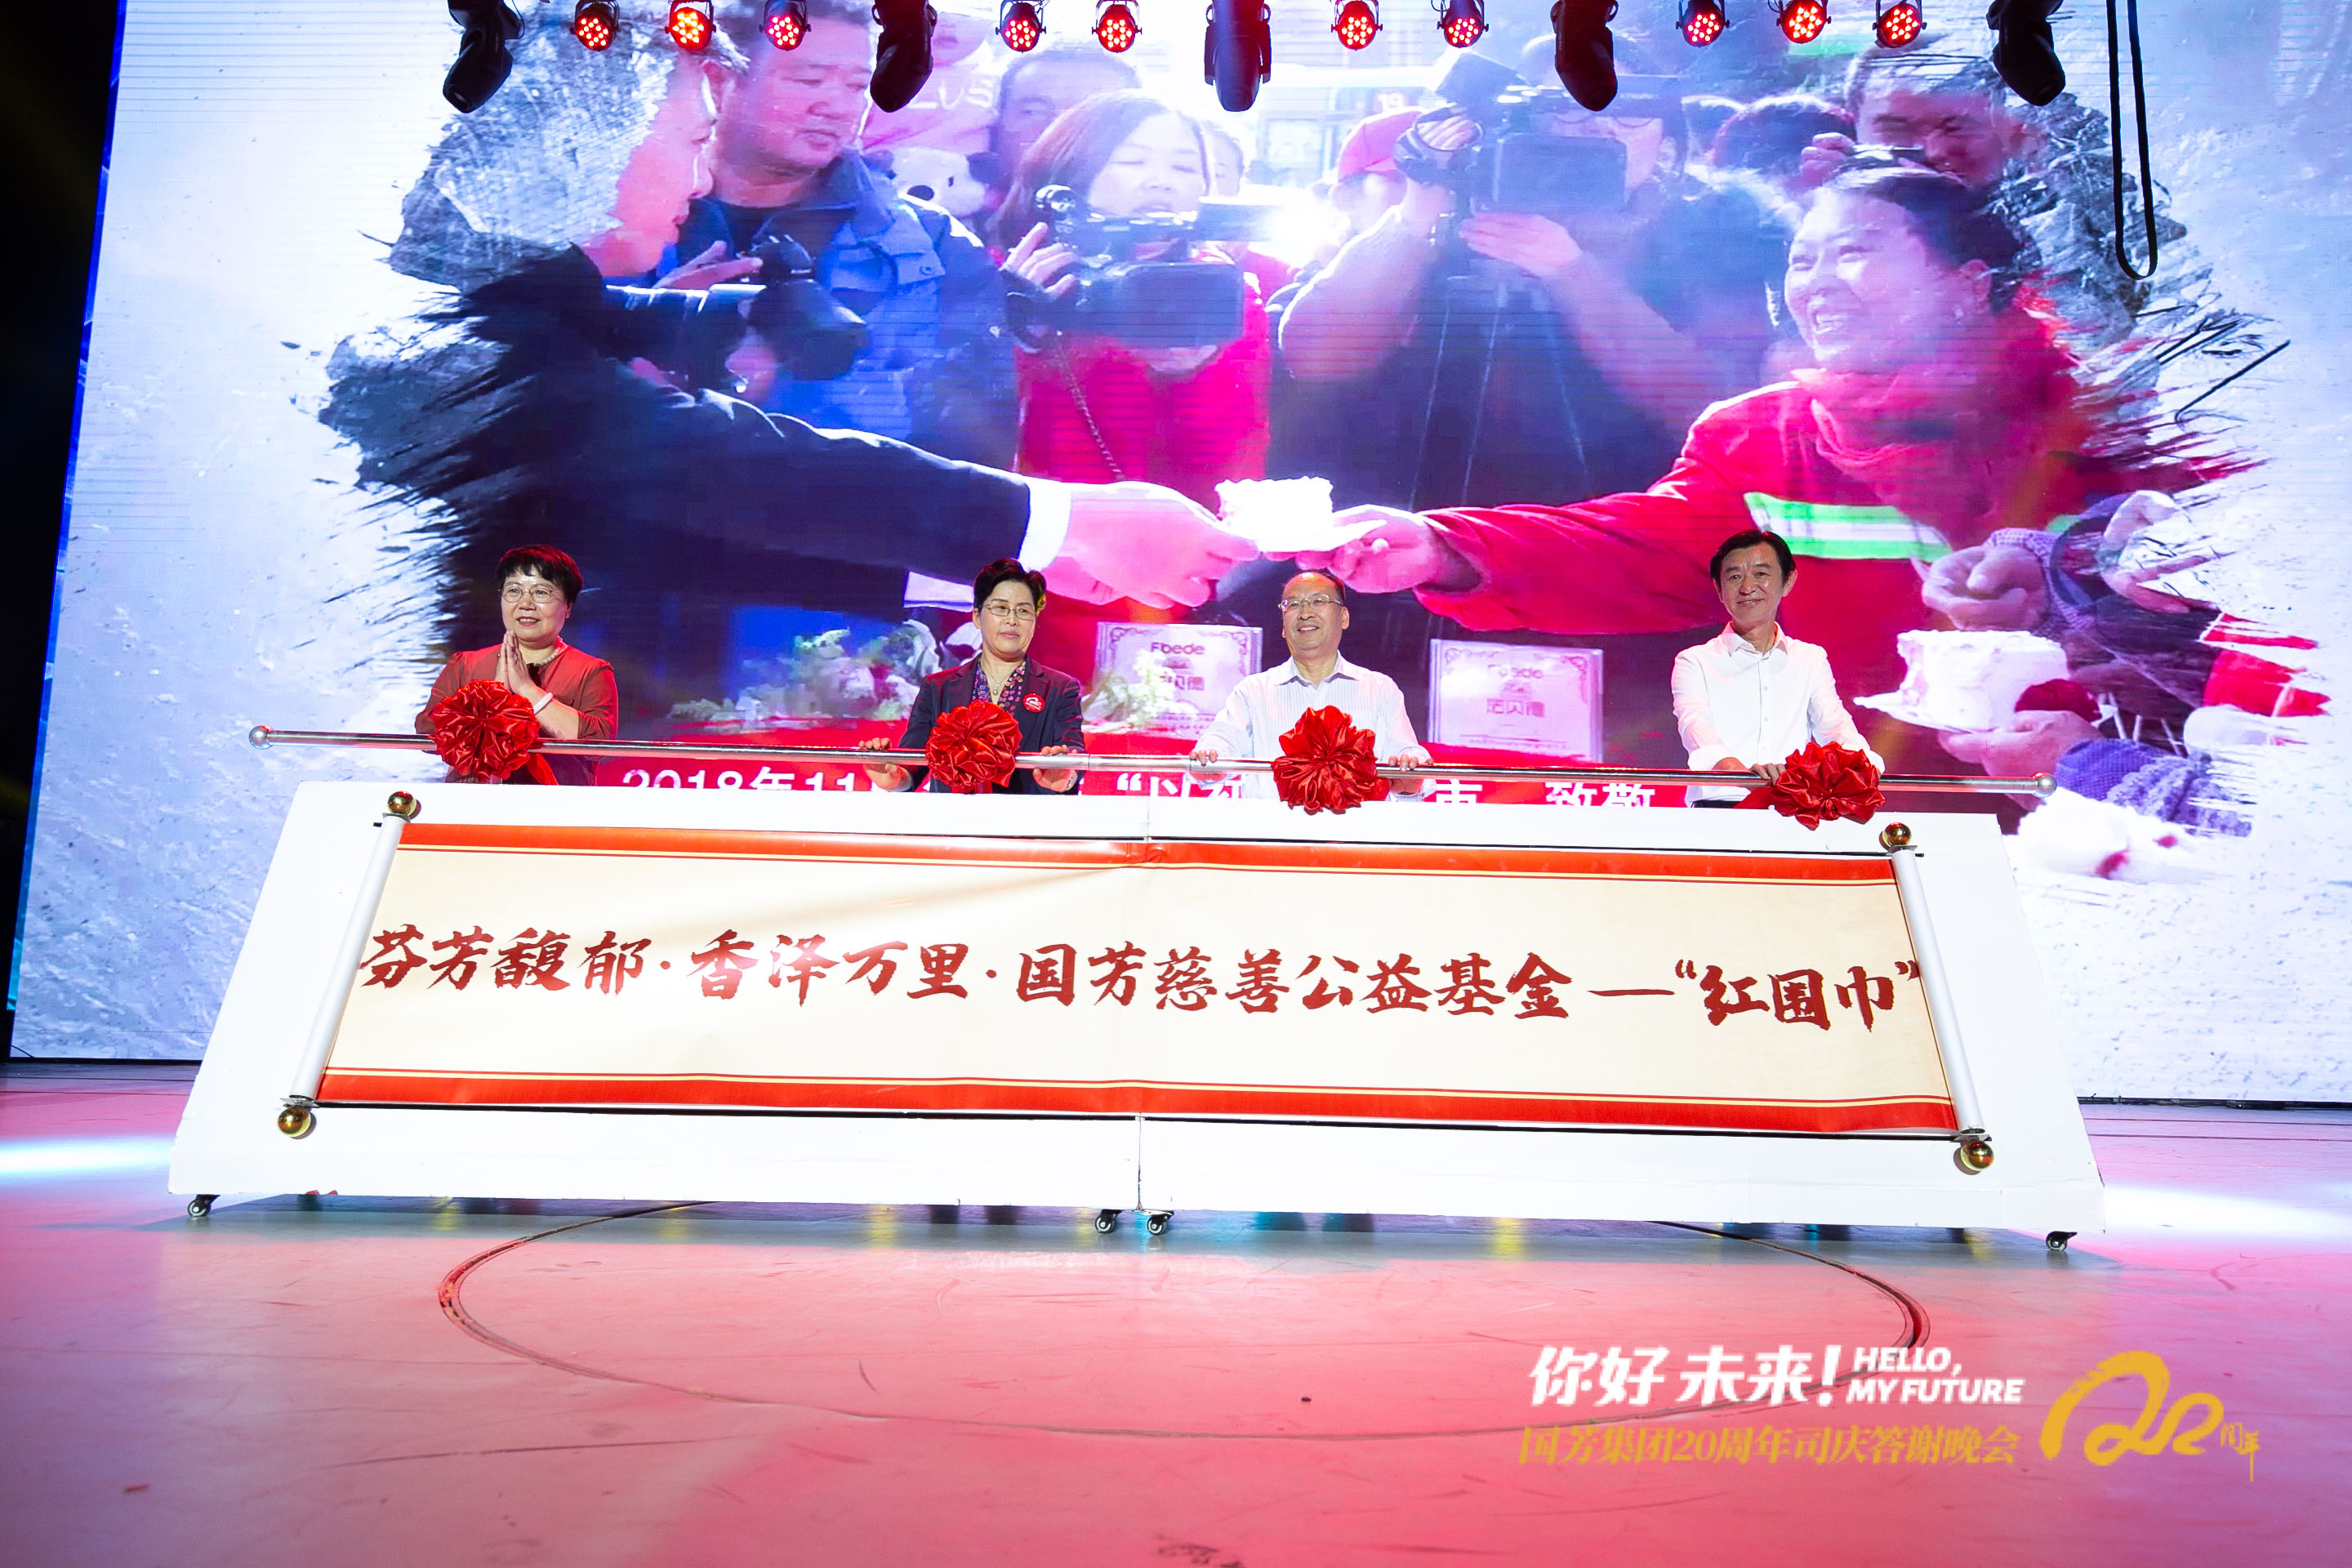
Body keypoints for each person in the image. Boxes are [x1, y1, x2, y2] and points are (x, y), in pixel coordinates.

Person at [323, 11, 1254, 717]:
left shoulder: (491, 304)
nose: (700, 179)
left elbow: (677, 535)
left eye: (854, 81)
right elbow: (713, 464)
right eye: (693, 142)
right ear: (583, 153)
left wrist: (994, 566)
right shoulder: (446, 335)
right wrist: (1058, 519)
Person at [1285, 167, 2216, 781]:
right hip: (1859, 811)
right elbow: (1641, 549)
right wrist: (1442, 547)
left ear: (1969, 283)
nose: (1817, 282)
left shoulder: (2128, 424)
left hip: (2102, 800)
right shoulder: (1762, 436)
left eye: (1855, 252)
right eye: (1802, 261)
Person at [1276, 80, 1786, 511]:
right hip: (1427, 521)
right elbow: (1316, 356)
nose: (1600, 126)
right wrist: (1418, 210)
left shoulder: (1712, 233)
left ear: (1667, 144)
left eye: (1631, 111)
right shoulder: (1452, 225)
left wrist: (1572, 272)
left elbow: (1718, 411)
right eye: (1569, 108)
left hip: (1628, 528)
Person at [647, 0, 1013, 468]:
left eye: (857, 85)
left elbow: (977, 451)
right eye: (809, 80)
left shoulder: (937, 243)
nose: (837, 106)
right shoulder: (620, 227)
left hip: (855, 508)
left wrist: (784, 385)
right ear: (718, 80)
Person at [994, 91, 1275, 681]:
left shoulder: (1222, 291)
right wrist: (1019, 331)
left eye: (1183, 166)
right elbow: (973, 442)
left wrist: (1190, 374)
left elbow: (1232, 471)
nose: (1161, 180)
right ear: (1068, 176)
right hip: (1026, 570)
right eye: (1133, 160)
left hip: (1159, 584)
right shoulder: (998, 274)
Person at [1673, 530, 1879, 805]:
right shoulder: (1695, 661)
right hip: (1722, 802)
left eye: (1761, 574)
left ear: (1787, 581)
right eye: (1734, 577)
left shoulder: (1809, 658)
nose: (1747, 587)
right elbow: (1695, 726)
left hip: (1794, 806)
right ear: (1719, 590)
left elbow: (1834, 725)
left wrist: (1862, 763)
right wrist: (1736, 771)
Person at [1188, 572, 1429, 800]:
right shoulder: (1253, 691)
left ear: (1343, 618)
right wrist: (1210, 757)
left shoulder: (1380, 689)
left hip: (1355, 829)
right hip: (1272, 829)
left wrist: (1411, 773)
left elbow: (1406, 755)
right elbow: (1221, 742)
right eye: (1292, 605)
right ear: (1284, 626)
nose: (1305, 613)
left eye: (1318, 601)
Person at [860, 559, 1084, 794]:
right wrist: (895, 778)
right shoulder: (938, 688)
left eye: (1024, 611)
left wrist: (1066, 778)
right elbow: (913, 762)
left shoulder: (1060, 688)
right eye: (1000, 608)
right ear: (977, 616)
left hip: (1027, 816)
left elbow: (1073, 752)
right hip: (954, 816)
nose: (1012, 620)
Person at [416, 546, 618, 786]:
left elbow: (599, 743)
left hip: (554, 804)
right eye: (513, 591)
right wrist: (494, 696)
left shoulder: (591, 671)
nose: (525, 604)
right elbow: (427, 730)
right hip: (471, 801)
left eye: (541, 592)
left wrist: (527, 690)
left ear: (568, 607)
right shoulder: (465, 664)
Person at [972, 42, 1142, 220]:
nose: (1058, 131)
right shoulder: (953, 230)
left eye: (1093, 115)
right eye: (1034, 112)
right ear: (996, 123)